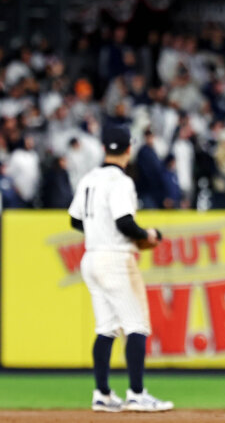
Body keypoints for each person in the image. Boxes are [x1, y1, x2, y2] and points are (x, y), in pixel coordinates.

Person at [68, 125, 173, 412]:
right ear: (129, 149)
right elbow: (124, 223)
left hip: (91, 258)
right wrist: (148, 235)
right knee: (137, 325)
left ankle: (102, 394)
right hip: (115, 259)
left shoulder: (89, 178)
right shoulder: (120, 181)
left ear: (104, 148)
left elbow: (75, 221)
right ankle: (137, 394)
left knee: (106, 329)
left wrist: (98, 231)